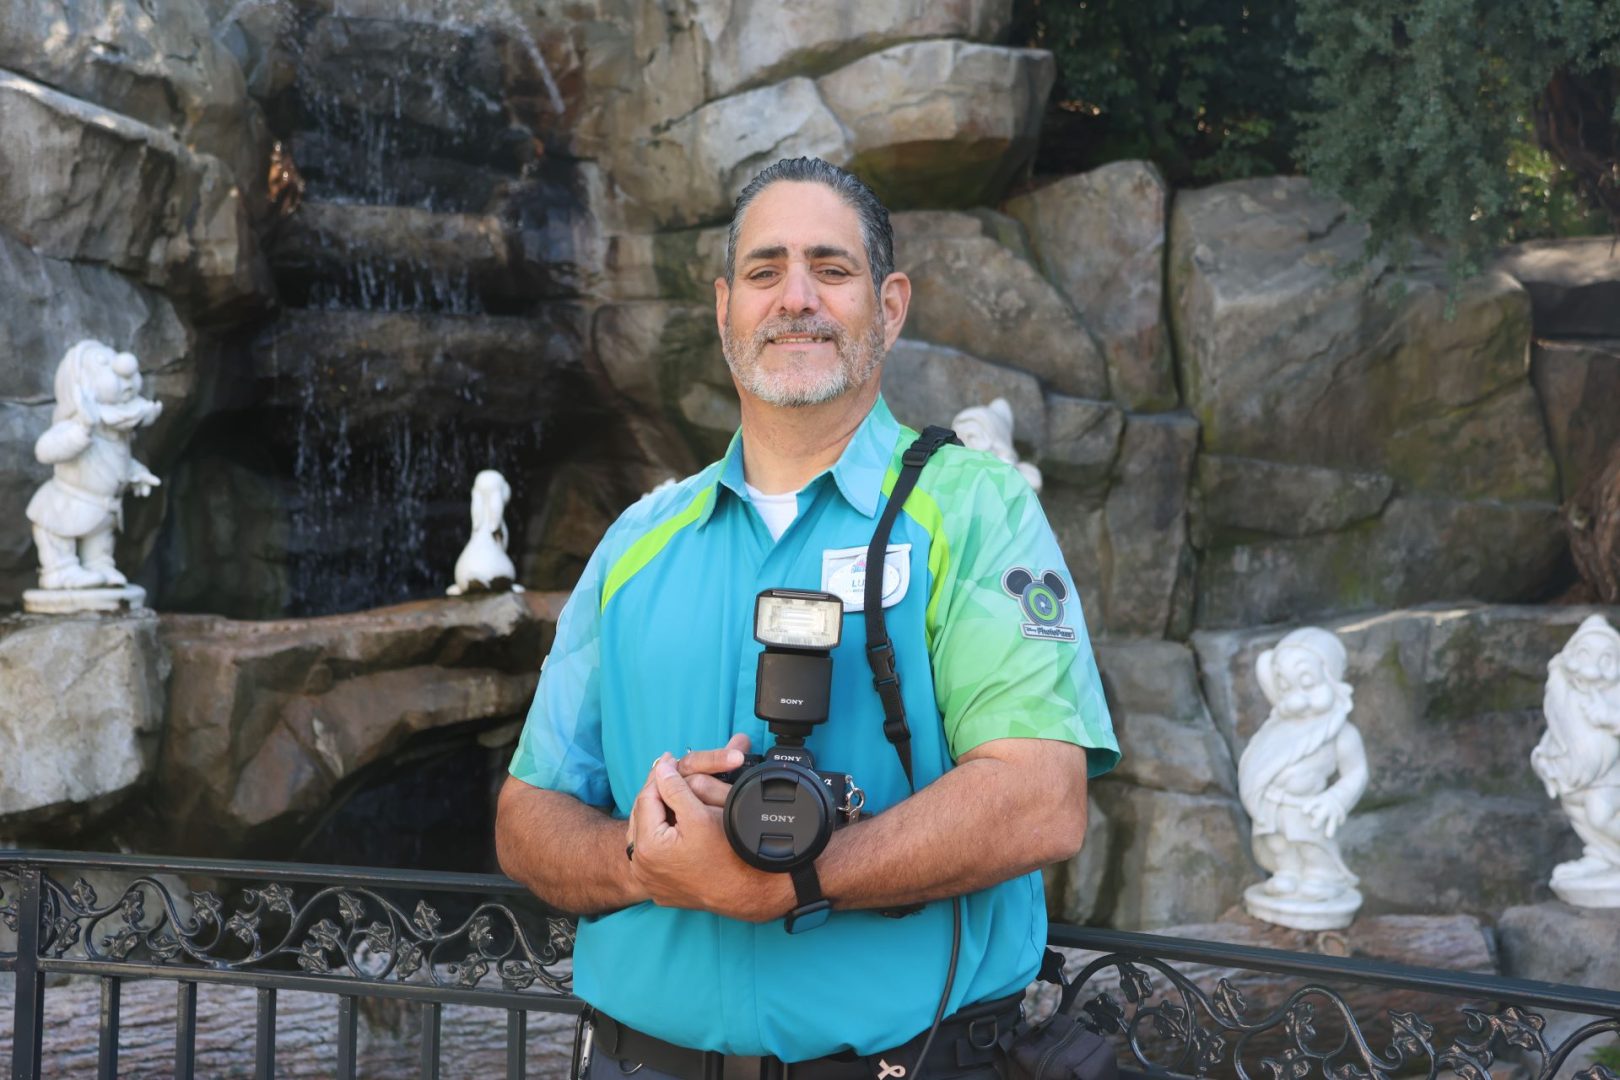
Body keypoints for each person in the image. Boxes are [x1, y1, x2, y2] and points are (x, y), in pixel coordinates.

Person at [495, 157, 1119, 1079]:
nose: (796, 298)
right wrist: (643, 859)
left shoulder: (975, 511)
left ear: (890, 305)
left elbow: (1042, 801)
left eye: (831, 269)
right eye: (764, 271)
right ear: (723, 309)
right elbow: (525, 813)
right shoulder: (637, 541)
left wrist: (791, 880)